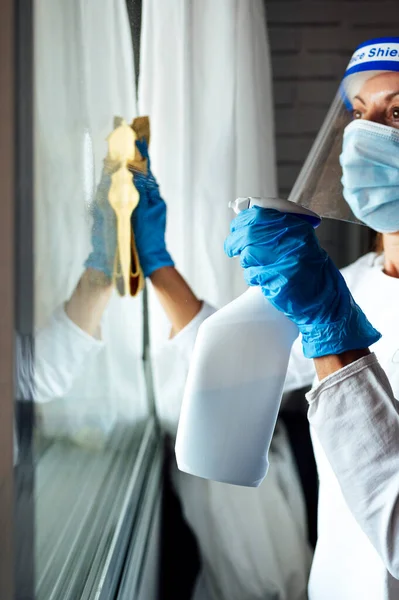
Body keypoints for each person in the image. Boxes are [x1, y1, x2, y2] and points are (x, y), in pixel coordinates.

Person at [224, 37, 399, 599]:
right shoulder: (352, 284)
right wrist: (155, 262)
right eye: (357, 113)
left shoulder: (333, 298)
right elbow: (232, 370)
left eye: (397, 111)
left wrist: (330, 326)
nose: (364, 138)